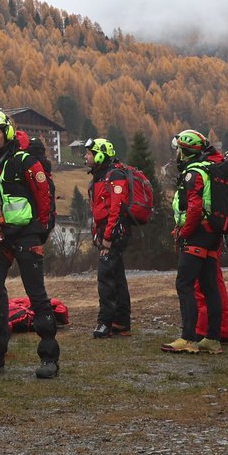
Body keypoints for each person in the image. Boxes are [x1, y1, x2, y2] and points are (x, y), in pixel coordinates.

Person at [0, 109, 61, 378]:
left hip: (26, 234)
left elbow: (44, 195)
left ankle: (49, 358)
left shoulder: (24, 161)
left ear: (6, 132)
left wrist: (41, 230)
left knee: (37, 296)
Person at [163, 130, 228, 354]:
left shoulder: (193, 173)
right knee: (210, 286)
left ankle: (188, 339)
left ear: (185, 151)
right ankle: (213, 339)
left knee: (184, 284)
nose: (177, 154)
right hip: (212, 235)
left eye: (178, 150)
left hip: (197, 234)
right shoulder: (210, 168)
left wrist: (184, 233)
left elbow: (194, 208)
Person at [83, 138, 136, 338]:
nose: (86, 156)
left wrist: (108, 237)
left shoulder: (114, 175)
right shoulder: (100, 177)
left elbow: (117, 208)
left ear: (99, 155)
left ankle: (105, 322)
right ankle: (121, 322)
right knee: (116, 275)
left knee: (105, 277)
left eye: (89, 153)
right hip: (107, 230)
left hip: (114, 231)